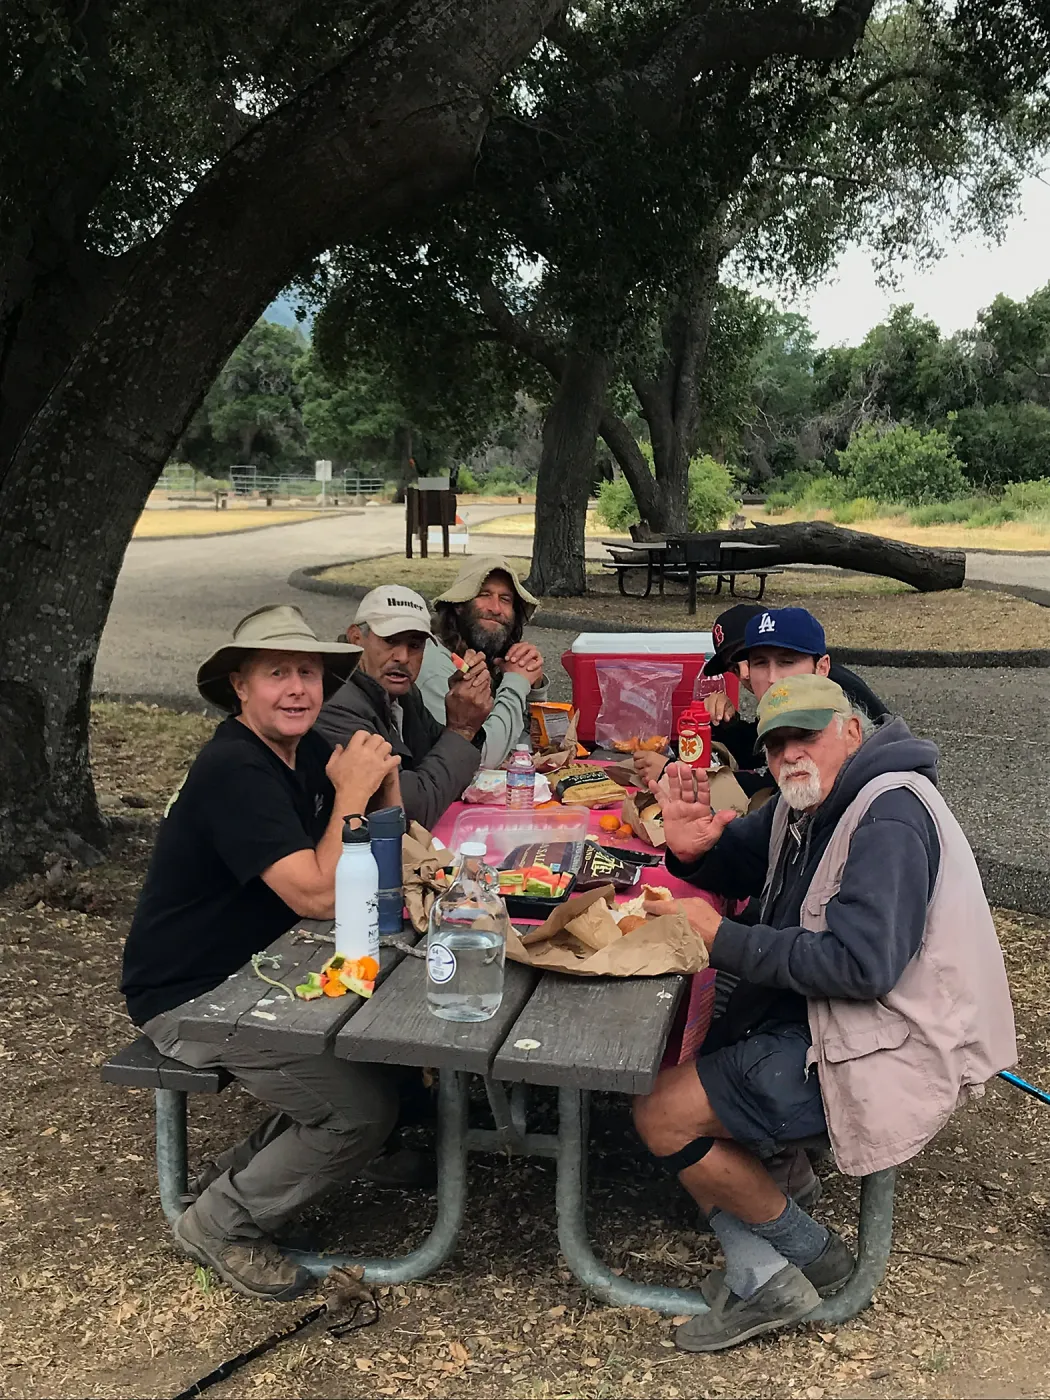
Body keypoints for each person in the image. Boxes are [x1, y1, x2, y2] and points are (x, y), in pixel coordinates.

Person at [632, 675, 1016, 1353]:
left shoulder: (889, 815)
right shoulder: (805, 802)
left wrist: (722, 939)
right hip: (827, 1021)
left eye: (805, 736)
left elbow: (862, 968)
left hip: (892, 1044)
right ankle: (782, 1250)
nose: (789, 756)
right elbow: (745, 861)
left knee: (659, 1112)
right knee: (689, 1050)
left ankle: (793, 1266)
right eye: (776, 743)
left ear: (852, 733)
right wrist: (696, 851)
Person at [121, 604, 405, 1302]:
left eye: (307, 673)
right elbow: (314, 894)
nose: (298, 689)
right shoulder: (233, 769)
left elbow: (385, 856)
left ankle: (236, 1176)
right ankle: (221, 1223)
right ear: (240, 687)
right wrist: (353, 794)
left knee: (393, 1065)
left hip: (262, 970)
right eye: (276, 673)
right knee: (361, 1110)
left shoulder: (300, 751)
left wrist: (382, 783)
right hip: (193, 995)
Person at [632, 605, 889, 792]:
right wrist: (726, 723)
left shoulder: (831, 697)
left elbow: (782, 786)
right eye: (757, 663)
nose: (746, 675)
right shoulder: (791, 694)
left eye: (786, 661)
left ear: (821, 666)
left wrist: (673, 773)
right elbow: (765, 753)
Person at [316, 584, 493, 828]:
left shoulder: (402, 693)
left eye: (415, 645)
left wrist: (464, 708)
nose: (402, 657)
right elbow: (409, 811)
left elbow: (443, 767)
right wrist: (462, 728)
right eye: (390, 641)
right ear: (356, 638)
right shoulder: (335, 704)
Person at [418, 556, 548, 768]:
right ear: (459, 605)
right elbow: (481, 759)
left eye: (505, 599)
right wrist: (516, 682)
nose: (495, 608)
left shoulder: (489, 657)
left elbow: (532, 748)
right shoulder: (434, 664)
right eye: (484, 595)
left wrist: (534, 687)